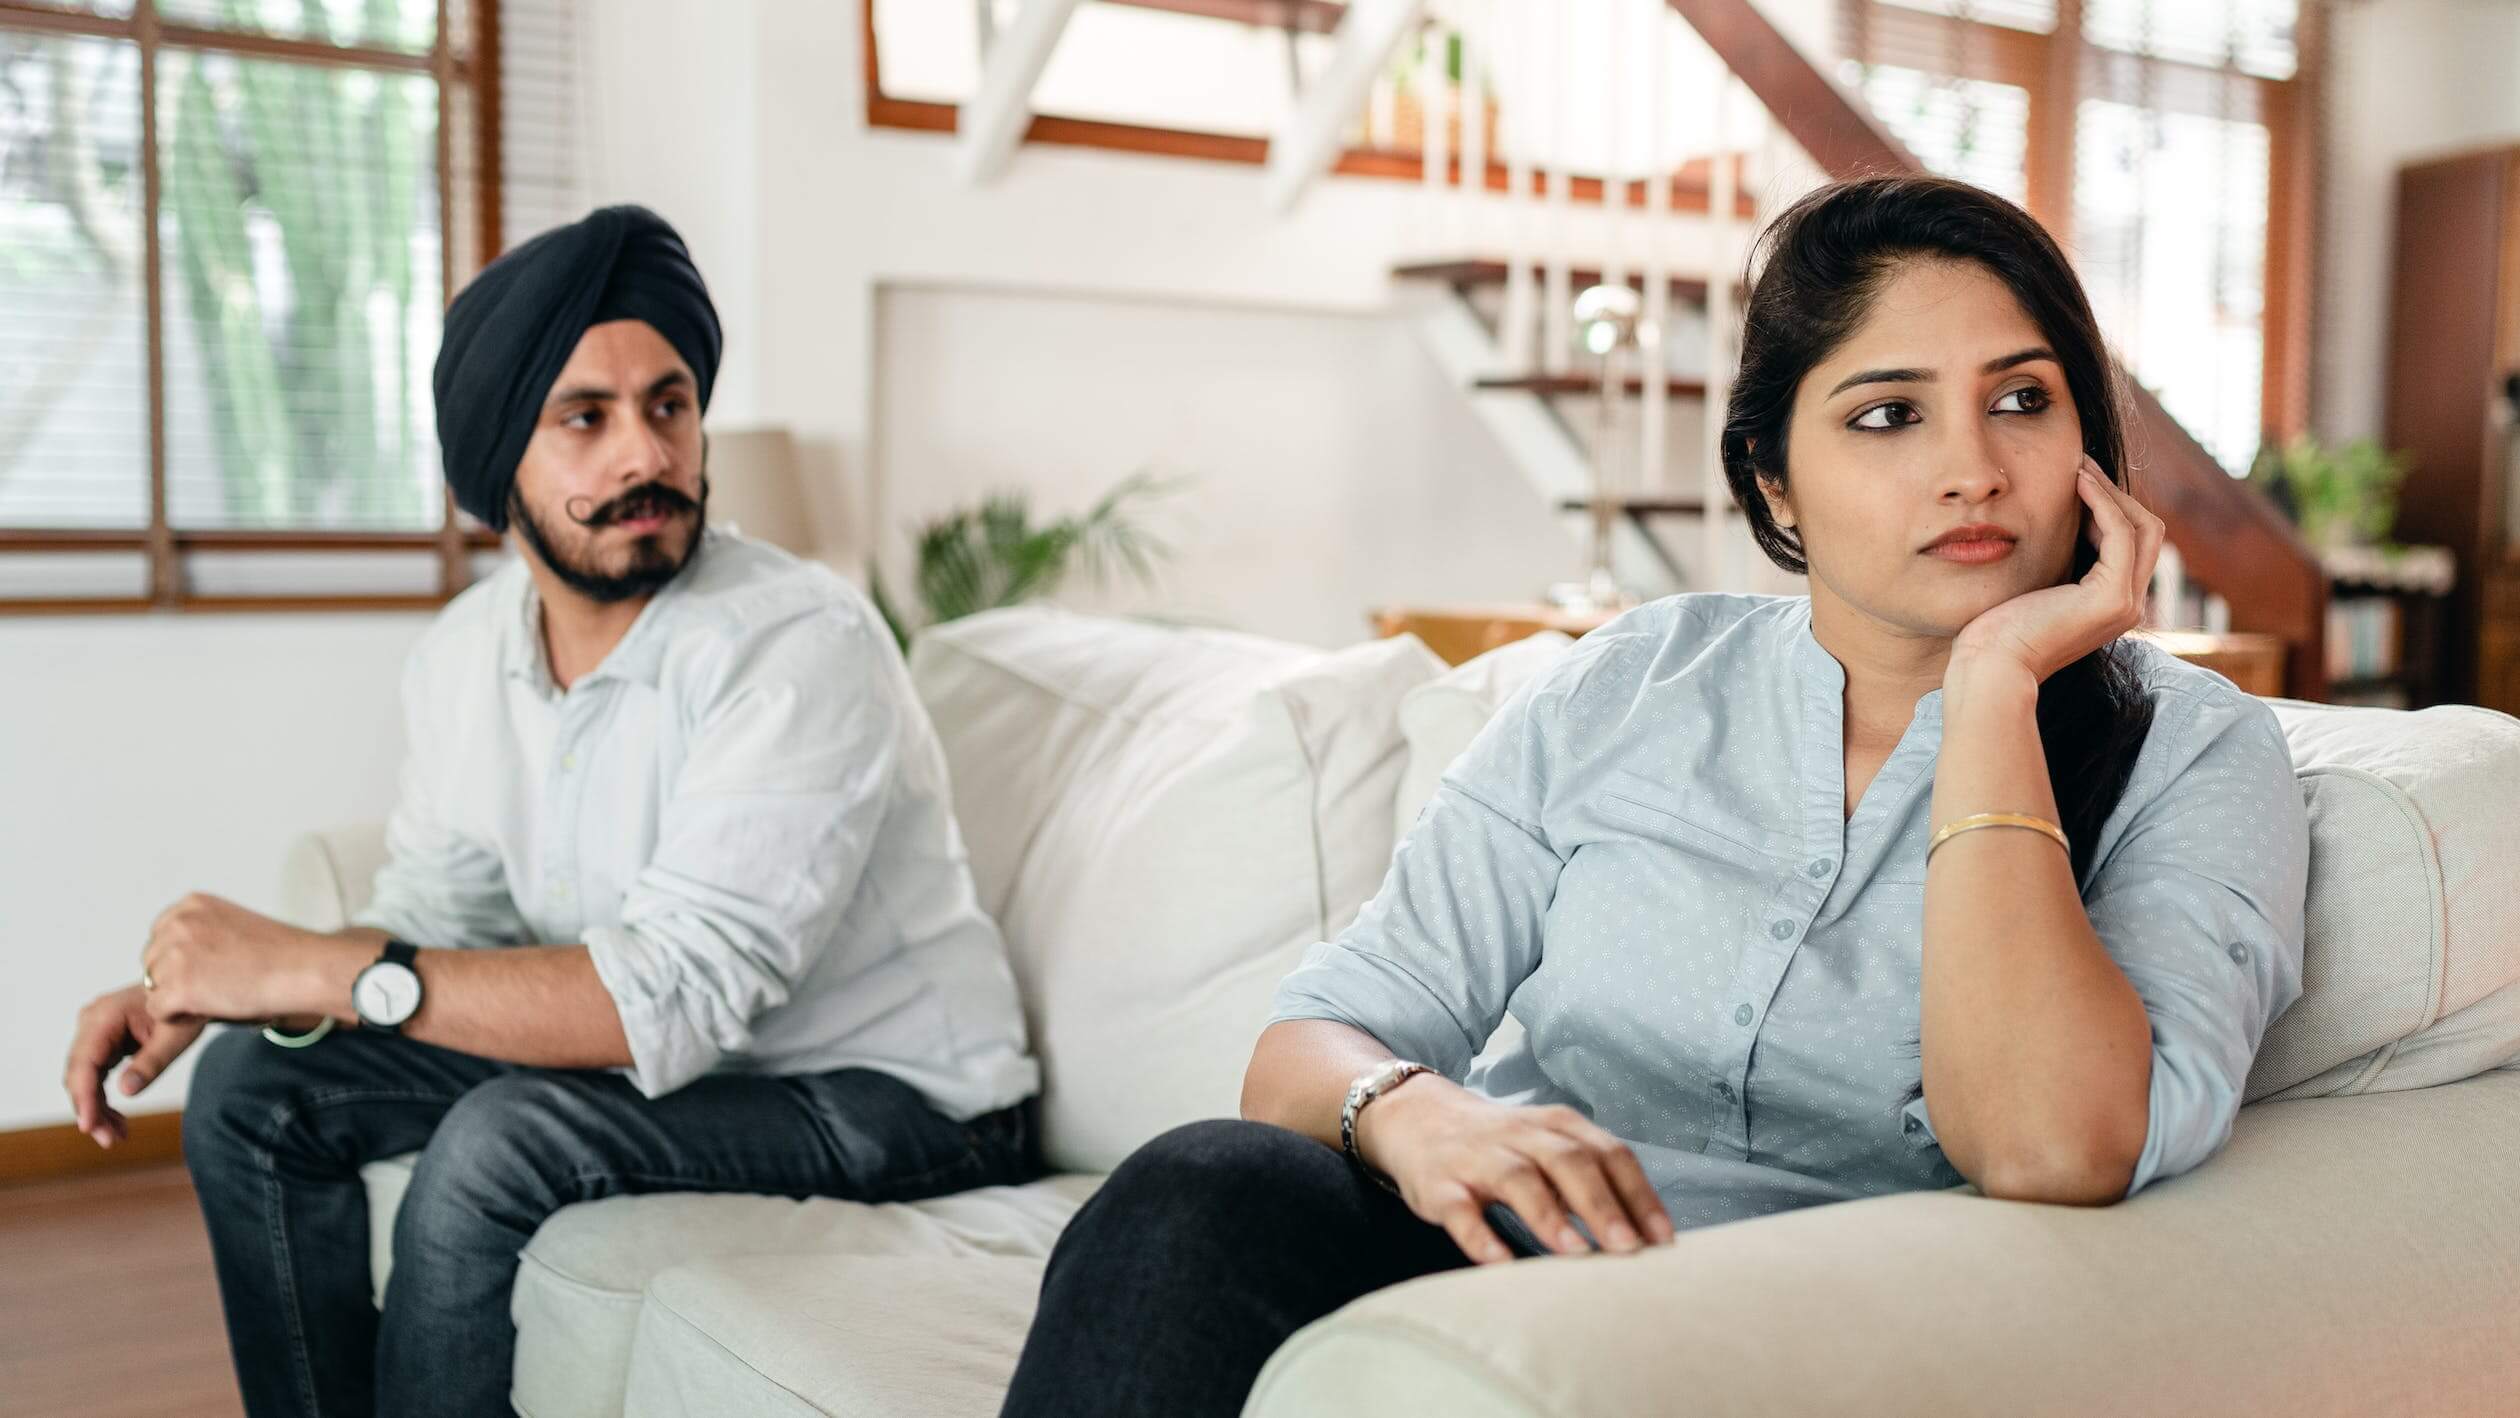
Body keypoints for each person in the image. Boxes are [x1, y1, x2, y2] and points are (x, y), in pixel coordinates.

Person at [995, 174, 2310, 1417]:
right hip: (1493, 1282)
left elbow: (2048, 1145)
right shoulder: (1635, 681)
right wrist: (1417, 1110)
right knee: (1195, 1192)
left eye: (2022, 400)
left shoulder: (2192, 754)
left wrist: (1995, 687)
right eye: (1888, 413)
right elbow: (1309, 1045)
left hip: (1810, 1341)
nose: (1971, 466)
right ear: (1773, 479)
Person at [59, 205, 1043, 1418]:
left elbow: (672, 992)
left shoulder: (797, 642)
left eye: (669, 405)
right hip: (693, 1068)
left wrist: (328, 965)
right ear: (497, 470)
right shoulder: (467, 654)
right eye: (586, 417)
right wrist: (218, 990)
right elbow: (441, 907)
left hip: (898, 1100)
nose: (646, 454)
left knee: (498, 1140)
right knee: (257, 1090)